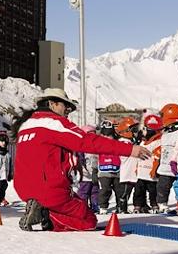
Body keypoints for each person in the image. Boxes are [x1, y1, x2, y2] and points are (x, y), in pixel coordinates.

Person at [14, 88, 151, 232]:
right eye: (65, 105)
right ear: (52, 104)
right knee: (88, 220)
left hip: (24, 189)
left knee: (77, 204)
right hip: (49, 189)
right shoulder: (55, 123)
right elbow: (87, 141)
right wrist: (129, 150)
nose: (67, 110)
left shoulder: (26, 125)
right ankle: (45, 213)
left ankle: (42, 211)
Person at [132, 114, 163, 213]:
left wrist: (154, 170)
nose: (143, 132)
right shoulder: (143, 142)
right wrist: (137, 168)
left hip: (151, 174)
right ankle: (138, 205)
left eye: (145, 129)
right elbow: (138, 157)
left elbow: (157, 158)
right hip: (141, 173)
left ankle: (154, 204)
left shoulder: (158, 143)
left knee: (153, 191)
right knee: (138, 191)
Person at [155, 103, 178, 213]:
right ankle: (162, 204)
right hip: (164, 168)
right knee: (162, 188)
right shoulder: (165, 133)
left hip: (177, 167)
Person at [96, 120, 126, 214]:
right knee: (105, 190)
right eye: (104, 135)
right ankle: (103, 207)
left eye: (109, 135)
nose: (107, 137)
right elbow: (94, 156)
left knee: (119, 191)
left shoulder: (117, 143)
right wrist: (93, 170)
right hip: (104, 171)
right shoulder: (98, 144)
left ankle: (120, 207)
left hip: (117, 171)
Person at [116, 117, 139, 214]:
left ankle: (122, 208)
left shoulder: (129, 142)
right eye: (134, 130)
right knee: (124, 193)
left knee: (127, 192)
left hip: (130, 172)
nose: (136, 132)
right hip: (126, 173)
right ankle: (121, 208)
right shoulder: (124, 142)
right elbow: (123, 155)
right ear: (127, 131)